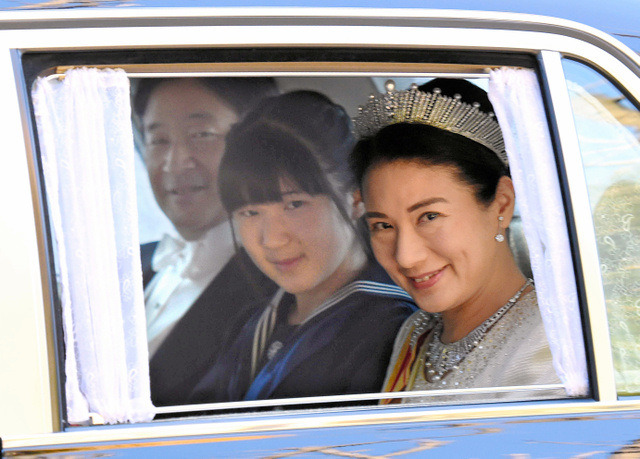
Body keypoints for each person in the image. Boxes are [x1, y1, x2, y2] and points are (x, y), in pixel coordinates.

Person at [190, 90, 416, 403]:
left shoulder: (395, 333)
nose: (272, 239)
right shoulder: (253, 322)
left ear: (356, 198)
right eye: (250, 212)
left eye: (295, 204)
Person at [350, 79, 564, 403]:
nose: (406, 257)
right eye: (383, 225)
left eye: (429, 216)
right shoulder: (416, 333)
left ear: (502, 205)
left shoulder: (552, 347)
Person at [132, 77, 279, 406]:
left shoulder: (277, 289)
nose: (175, 162)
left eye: (201, 135)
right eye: (158, 140)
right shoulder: (132, 266)